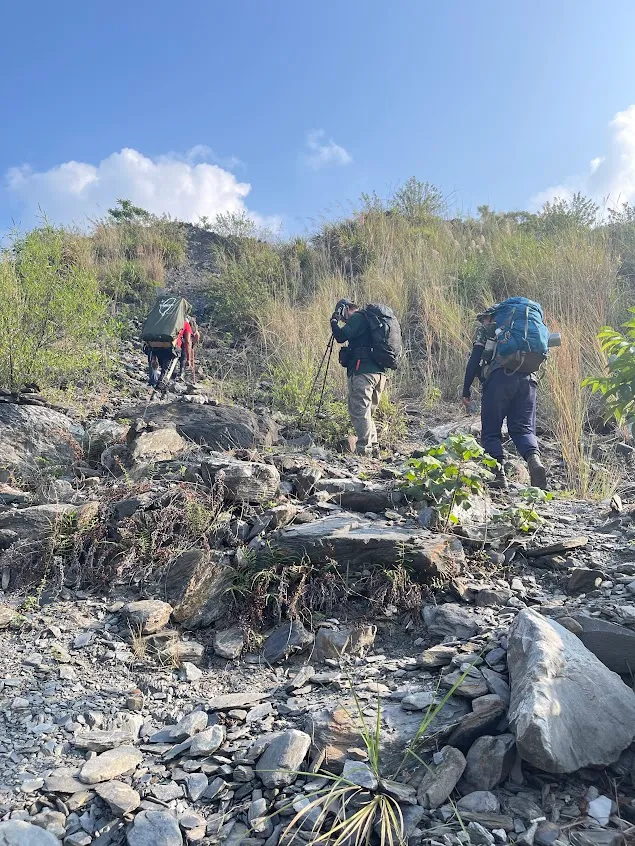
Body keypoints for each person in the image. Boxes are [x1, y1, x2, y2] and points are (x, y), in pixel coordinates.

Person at [461, 306, 547, 489]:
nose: (482, 322)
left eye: (483, 319)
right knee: (524, 430)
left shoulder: (488, 329)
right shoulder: (522, 331)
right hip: (528, 380)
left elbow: (474, 359)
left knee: (491, 431)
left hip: (499, 380)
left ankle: (498, 476)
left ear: (491, 317)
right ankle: (534, 462)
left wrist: (466, 389)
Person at [330, 299, 386, 458]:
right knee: (367, 412)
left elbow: (340, 336)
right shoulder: (370, 321)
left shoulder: (357, 317)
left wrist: (334, 322)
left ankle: (364, 450)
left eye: (343, 315)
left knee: (359, 411)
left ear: (346, 309)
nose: (344, 320)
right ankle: (374, 450)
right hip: (379, 374)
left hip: (363, 372)